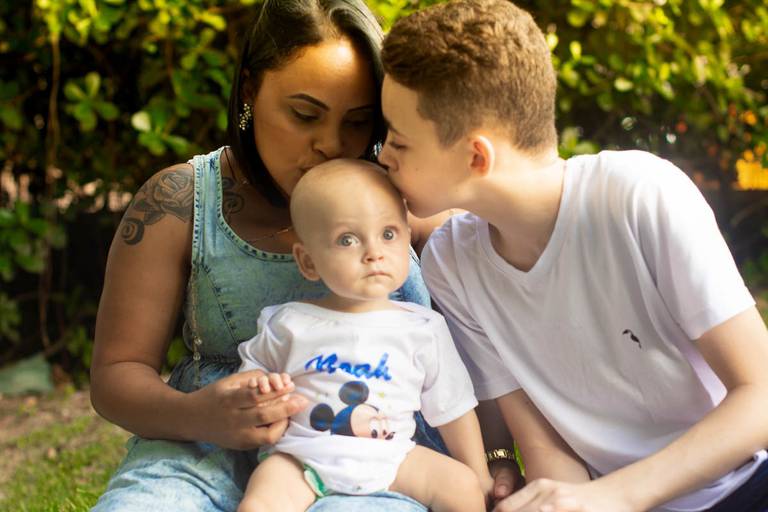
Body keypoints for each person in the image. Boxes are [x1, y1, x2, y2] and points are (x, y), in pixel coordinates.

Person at [377, 1, 768, 511]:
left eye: (399, 142)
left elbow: (759, 393)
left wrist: (618, 496)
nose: (383, 154)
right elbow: (542, 445)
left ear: (477, 157)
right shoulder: (453, 264)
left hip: (743, 485)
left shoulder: (639, 196)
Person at [89, 2, 453, 510]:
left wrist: (497, 455)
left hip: (364, 457)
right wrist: (197, 415)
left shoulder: (398, 196)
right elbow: (116, 373)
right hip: (201, 449)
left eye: (358, 121)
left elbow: (504, 289)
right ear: (249, 91)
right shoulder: (181, 203)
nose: (331, 144)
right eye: (305, 114)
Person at [235, 159, 492, 512]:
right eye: (347, 239)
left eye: (388, 234)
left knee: (463, 489)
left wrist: (479, 473)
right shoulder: (289, 323)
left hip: (393, 455)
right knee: (260, 503)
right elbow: (249, 378)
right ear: (308, 261)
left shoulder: (424, 328)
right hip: (302, 459)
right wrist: (258, 386)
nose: (374, 253)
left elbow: (453, 409)